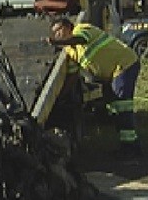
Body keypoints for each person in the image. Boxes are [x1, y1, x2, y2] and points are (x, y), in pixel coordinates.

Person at [48, 17, 142, 156]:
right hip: (114, 72)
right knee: (116, 107)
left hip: (124, 65)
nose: (58, 35)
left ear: (68, 27)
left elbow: (81, 39)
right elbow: (72, 76)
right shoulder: (71, 51)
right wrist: (60, 96)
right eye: (55, 33)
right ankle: (128, 144)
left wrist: (57, 42)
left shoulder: (82, 29)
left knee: (122, 106)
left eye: (59, 30)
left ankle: (131, 148)